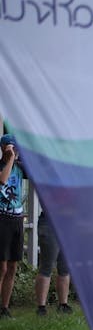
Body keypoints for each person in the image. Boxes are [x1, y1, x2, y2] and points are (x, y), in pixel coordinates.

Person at [0, 134, 25, 319]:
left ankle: (5, 308)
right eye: (11, 147)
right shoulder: (5, 166)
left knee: (13, 266)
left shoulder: (20, 167)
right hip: (2, 219)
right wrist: (9, 159)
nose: (15, 152)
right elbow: (2, 180)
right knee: (2, 267)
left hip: (16, 219)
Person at [34, 211, 73, 316]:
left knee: (65, 267)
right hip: (49, 221)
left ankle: (63, 304)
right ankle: (41, 307)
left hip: (68, 221)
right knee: (47, 266)